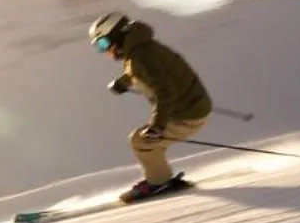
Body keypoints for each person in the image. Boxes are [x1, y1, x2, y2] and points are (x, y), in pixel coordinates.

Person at [88, 11, 213, 201]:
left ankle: (158, 182)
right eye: (98, 47)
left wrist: (157, 126)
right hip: (191, 105)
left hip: (187, 114)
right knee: (148, 142)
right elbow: (140, 72)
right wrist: (123, 83)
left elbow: (166, 92)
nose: (104, 51)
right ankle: (161, 178)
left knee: (141, 141)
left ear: (117, 36)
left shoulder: (139, 56)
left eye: (103, 44)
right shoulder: (140, 49)